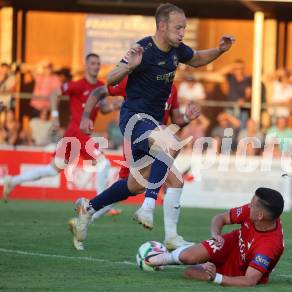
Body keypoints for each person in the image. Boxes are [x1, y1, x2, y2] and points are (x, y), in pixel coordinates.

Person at [72, 3, 234, 251]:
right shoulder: (142, 49)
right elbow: (111, 78)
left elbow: (199, 58)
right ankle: (148, 208)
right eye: (179, 28)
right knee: (170, 143)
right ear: (162, 26)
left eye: (184, 28)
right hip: (134, 121)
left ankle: (90, 208)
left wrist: (220, 50)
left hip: (154, 128)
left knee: (149, 183)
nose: (182, 32)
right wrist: (130, 65)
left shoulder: (177, 51)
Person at [75, 77, 196, 250]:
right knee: (171, 167)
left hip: (157, 139)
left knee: (133, 186)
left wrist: (186, 117)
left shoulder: (172, 89)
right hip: (137, 137)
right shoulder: (137, 79)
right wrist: (86, 116)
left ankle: (88, 208)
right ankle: (156, 217)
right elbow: (99, 91)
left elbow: (175, 120)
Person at [2, 54, 118, 208]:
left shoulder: (100, 87)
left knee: (52, 170)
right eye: (93, 63)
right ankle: (98, 206)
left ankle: (13, 181)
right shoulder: (77, 85)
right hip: (77, 132)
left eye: (98, 63)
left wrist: (115, 106)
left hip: (76, 135)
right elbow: (54, 94)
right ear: (86, 66)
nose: (96, 66)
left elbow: (103, 109)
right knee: (103, 164)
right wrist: (55, 115)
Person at [145, 187, 284, 287]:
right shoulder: (252, 212)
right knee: (187, 257)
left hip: (239, 271)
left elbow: (249, 281)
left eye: (252, 205)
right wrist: (216, 234)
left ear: (260, 216)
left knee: (189, 272)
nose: (249, 206)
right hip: (231, 243)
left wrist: (216, 278)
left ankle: (202, 263)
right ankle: (166, 257)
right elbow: (221, 218)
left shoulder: (269, 246)